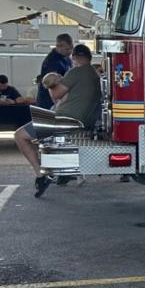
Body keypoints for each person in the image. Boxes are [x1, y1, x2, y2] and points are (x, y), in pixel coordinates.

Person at [15, 44, 102, 197]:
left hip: (65, 119)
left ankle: (40, 174)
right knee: (41, 129)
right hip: (82, 120)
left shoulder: (75, 72)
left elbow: (56, 96)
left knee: (20, 135)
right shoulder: (94, 75)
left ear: (74, 57)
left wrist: (50, 83)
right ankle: (61, 170)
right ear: (89, 57)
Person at [36, 33, 74, 110]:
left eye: (71, 48)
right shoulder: (52, 62)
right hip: (48, 101)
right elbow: (51, 83)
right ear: (58, 46)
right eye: (67, 49)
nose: (70, 51)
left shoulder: (67, 58)